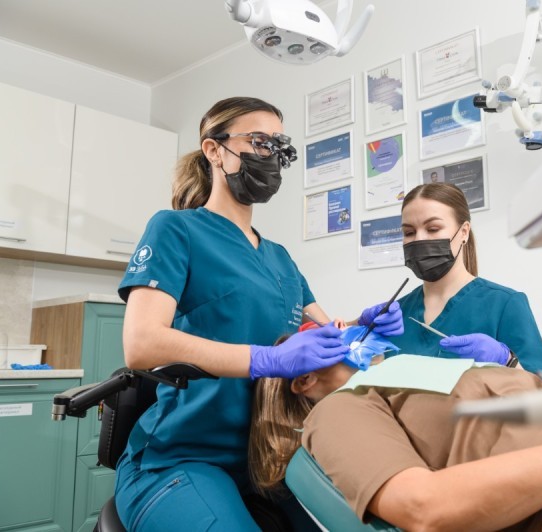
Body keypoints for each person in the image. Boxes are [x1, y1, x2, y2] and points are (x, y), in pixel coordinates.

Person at [113, 96, 403, 531]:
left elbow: (327, 336)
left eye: (278, 147)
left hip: (270, 456)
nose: (270, 156)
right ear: (214, 151)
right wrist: (266, 359)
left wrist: (365, 327)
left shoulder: (280, 257)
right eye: (259, 142)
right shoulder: (176, 229)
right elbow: (142, 343)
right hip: (183, 456)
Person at [249, 353, 542, 531]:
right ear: (304, 379)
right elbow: (422, 507)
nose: (336, 323)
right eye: (317, 335)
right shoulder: (336, 410)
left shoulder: (392, 380)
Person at [395, 183, 542, 374]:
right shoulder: (395, 314)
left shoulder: (504, 304)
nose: (419, 239)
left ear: (464, 232)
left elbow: (540, 387)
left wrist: (507, 360)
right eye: (409, 232)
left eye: (433, 228)